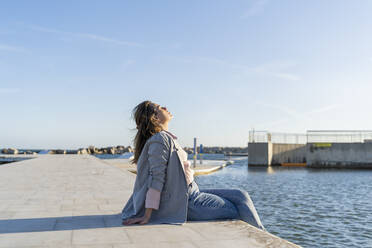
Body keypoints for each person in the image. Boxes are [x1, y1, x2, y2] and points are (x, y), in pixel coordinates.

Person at [121, 100, 265, 230]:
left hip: (192, 191)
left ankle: (263, 234)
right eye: (160, 107)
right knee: (237, 208)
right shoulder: (159, 140)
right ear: (156, 118)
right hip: (187, 200)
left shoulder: (164, 137)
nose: (165, 107)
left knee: (241, 195)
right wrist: (147, 215)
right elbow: (156, 177)